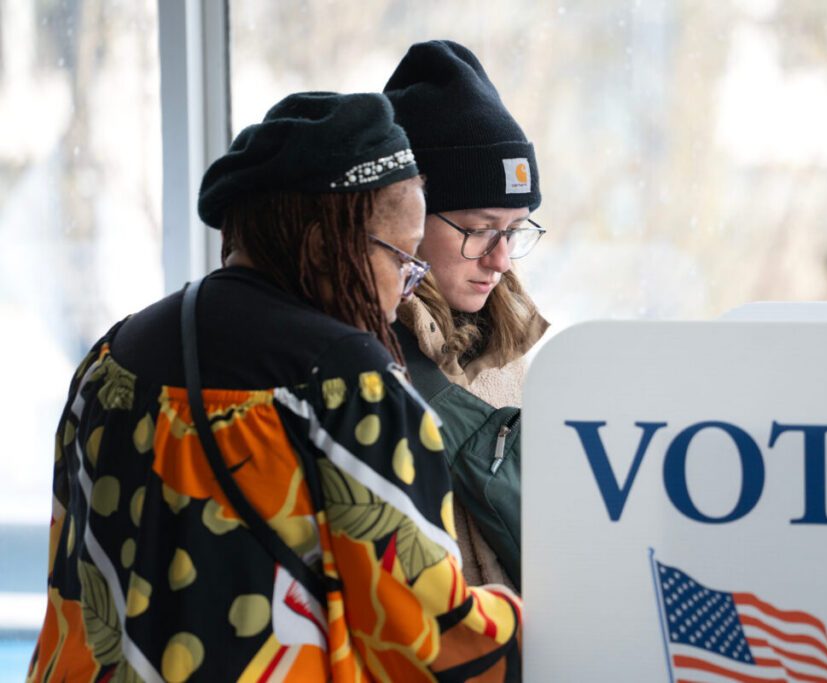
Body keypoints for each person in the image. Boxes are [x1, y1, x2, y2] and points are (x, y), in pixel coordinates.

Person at [28, 91, 520, 682]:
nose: (405, 288)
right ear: (325, 246)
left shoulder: (113, 355)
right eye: (401, 258)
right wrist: (529, 616)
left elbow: (71, 580)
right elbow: (422, 638)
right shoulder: (351, 389)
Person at [384, 41, 549, 588]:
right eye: (480, 230)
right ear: (406, 219)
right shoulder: (358, 354)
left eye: (515, 231)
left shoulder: (510, 342)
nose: (501, 260)